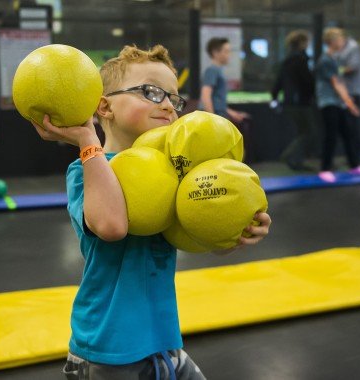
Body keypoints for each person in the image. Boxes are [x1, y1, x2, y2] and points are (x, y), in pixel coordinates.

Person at [30, 45, 272, 380]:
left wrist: (237, 231)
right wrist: (87, 139)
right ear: (104, 106)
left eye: (174, 99)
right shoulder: (86, 169)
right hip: (109, 352)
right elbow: (112, 226)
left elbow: (200, 236)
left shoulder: (172, 174)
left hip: (163, 343)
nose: (167, 106)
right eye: (150, 92)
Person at [315, 28, 360, 183]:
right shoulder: (325, 60)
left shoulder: (334, 59)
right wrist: (350, 104)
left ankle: (355, 165)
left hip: (338, 103)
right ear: (332, 41)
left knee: (347, 134)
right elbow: (337, 84)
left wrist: (346, 102)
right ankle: (325, 169)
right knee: (331, 136)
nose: (342, 42)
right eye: (340, 39)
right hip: (328, 103)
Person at [270, 30, 316, 170]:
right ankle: (290, 156)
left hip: (289, 102)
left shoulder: (287, 61)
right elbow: (307, 82)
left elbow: (278, 82)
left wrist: (275, 97)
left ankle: (295, 160)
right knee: (308, 132)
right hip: (301, 102)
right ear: (302, 43)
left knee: (303, 131)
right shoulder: (301, 60)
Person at [200, 37, 248, 124]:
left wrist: (232, 113)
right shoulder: (212, 70)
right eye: (226, 51)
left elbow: (218, 102)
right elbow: (205, 96)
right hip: (215, 120)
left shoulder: (218, 71)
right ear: (215, 53)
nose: (229, 54)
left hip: (220, 118)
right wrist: (212, 121)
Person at [335, 33, 360, 164]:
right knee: (345, 129)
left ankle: (356, 160)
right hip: (342, 93)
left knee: (351, 128)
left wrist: (333, 71)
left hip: (352, 93)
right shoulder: (338, 50)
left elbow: (352, 67)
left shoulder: (353, 48)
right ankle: (352, 160)